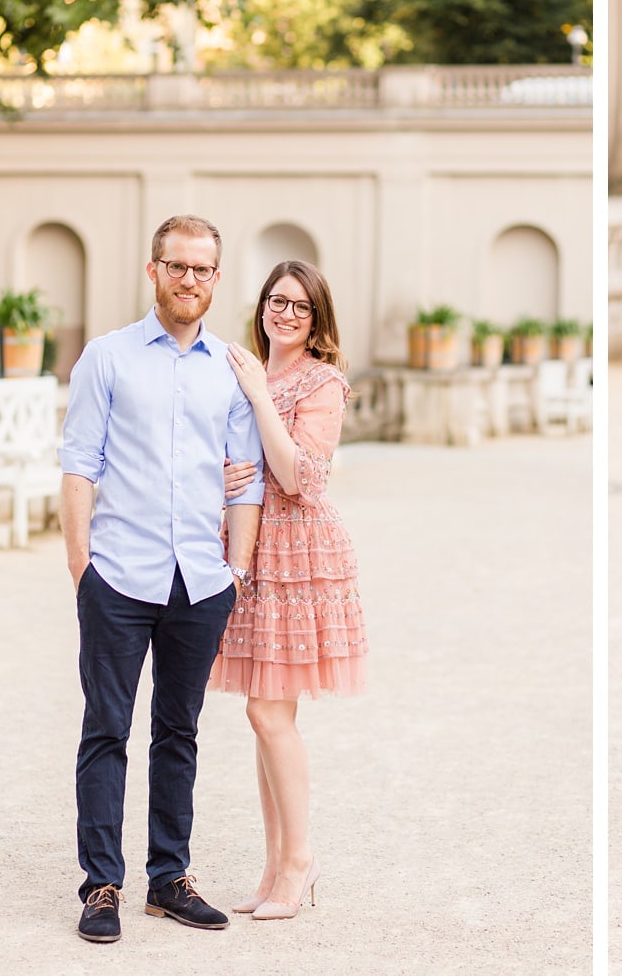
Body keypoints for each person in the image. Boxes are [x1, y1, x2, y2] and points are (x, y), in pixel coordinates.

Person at [60, 214, 265, 944]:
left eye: (202, 269)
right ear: (154, 271)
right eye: (176, 266)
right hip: (118, 576)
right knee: (106, 731)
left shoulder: (232, 370)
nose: (189, 280)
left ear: (217, 277)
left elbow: (246, 482)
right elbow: (80, 464)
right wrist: (83, 569)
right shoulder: (108, 357)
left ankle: (169, 879)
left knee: (179, 733)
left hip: (199, 583)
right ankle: (101, 887)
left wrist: (234, 572)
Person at [209, 259, 368, 921]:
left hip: (301, 553)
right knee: (265, 715)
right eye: (278, 300)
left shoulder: (322, 381)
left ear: (317, 318)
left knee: (269, 713)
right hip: (251, 549)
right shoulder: (250, 371)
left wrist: (253, 393)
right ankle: (276, 866)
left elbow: (300, 475)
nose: (285, 313)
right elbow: (229, 461)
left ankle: (299, 862)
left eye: (300, 307)